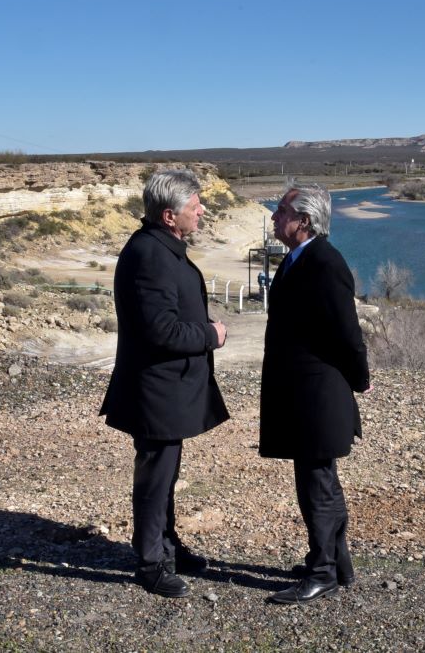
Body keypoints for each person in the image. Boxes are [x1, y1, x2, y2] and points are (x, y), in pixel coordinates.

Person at [99, 168, 229, 598]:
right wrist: (212, 335)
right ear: (170, 216)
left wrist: (200, 323)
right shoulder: (149, 255)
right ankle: (151, 563)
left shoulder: (161, 246)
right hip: (155, 390)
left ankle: (166, 545)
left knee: (166, 474)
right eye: (196, 206)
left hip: (168, 388)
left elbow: (170, 314)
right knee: (156, 478)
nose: (203, 211)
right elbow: (161, 331)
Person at [259, 182, 371, 604]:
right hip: (302, 391)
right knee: (320, 479)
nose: (274, 216)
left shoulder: (325, 262)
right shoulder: (298, 258)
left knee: (317, 483)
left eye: (280, 210)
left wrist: (360, 378)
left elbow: (347, 331)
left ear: (302, 220)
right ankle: (337, 564)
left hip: (318, 394)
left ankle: (321, 570)